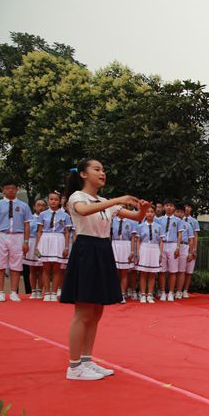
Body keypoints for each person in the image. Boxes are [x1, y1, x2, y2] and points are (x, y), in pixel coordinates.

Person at [61, 159, 149, 379]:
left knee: (97, 311)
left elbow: (137, 217)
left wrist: (143, 210)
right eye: (97, 169)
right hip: (86, 250)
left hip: (103, 250)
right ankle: (74, 367)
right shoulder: (77, 197)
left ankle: (86, 361)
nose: (103, 173)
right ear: (83, 174)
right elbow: (84, 211)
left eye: (103, 170)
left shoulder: (104, 201)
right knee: (83, 311)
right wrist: (117, 200)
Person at [0, 181, 32, 302]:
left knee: (16, 265)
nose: (10, 190)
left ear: (17, 189)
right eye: (7, 188)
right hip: (1, 235)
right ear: (3, 190)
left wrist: (26, 241)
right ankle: (0, 292)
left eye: (12, 188)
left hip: (18, 236)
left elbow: (27, 225)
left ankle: (13, 292)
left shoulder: (24, 206)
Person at [35, 190, 73, 302]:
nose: (53, 201)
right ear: (48, 200)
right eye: (51, 199)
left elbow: (67, 232)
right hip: (45, 239)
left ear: (60, 201)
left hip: (58, 239)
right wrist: (37, 246)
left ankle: (54, 293)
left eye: (56, 199)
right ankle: (47, 293)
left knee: (57, 269)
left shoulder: (65, 215)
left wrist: (66, 247)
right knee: (46, 268)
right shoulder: (42, 214)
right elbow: (39, 231)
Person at [133, 205, 162, 303]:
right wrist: (137, 253)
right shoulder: (140, 226)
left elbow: (161, 241)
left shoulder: (159, 226)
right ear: (145, 213)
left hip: (155, 248)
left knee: (152, 273)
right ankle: (142, 294)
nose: (149, 213)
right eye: (148, 212)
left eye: (151, 212)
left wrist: (160, 253)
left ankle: (149, 294)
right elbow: (138, 240)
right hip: (144, 248)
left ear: (154, 214)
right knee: (143, 272)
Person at [157, 201, 183, 302]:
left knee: (173, 270)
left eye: (171, 205)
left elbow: (179, 234)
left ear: (174, 208)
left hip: (173, 244)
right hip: (162, 244)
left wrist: (178, 247)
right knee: (162, 270)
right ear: (164, 207)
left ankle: (171, 292)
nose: (169, 207)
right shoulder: (159, 220)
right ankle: (163, 292)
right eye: (167, 205)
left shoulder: (178, 220)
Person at [111, 207, 138, 301]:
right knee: (115, 272)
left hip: (126, 245)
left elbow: (133, 238)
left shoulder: (131, 222)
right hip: (114, 244)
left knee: (124, 272)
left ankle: (122, 295)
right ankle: (114, 293)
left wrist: (132, 251)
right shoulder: (112, 220)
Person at [23, 198, 47, 299]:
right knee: (32, 268)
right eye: (39, 205)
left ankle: (40, 291)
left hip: (43, 244)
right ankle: (33, 291)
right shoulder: (30, 218)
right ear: (34, 207)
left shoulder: (47, 218)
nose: (41, 207)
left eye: (43, 205)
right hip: (32, 243)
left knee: (41, 268)